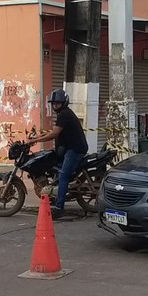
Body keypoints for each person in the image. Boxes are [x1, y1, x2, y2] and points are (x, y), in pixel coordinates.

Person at [30, 88, 88, 220]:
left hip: (75, 149)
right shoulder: (62, 114)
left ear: (64, 102)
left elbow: (54, 134)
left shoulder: (64, 114)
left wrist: (35, 140)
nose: (55, 105)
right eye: (53, 103)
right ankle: (54, 196)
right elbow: (54, 131)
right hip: (68, 148)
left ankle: (59, 207)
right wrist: (38, 136)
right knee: (55, 168)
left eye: (58, 103)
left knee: (63, 176)